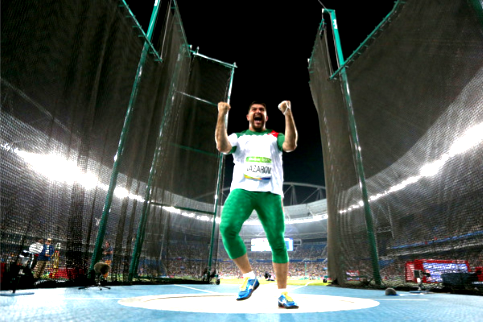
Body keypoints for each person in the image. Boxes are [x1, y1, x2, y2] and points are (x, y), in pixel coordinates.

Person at [215, 100, 299, 309]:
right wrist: (221, 115)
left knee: (277, 241)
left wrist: (288, 113)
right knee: (227, 228)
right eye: (254, 110)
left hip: (270, 193)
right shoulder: (240, 137)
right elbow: (222, 146)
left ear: (267, 117)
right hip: (242, 190)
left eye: (262, 110)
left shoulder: (274, 136)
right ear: (248, 116)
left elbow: (290, 145)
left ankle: (282, 293)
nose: (258, 112)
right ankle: (249, 276)